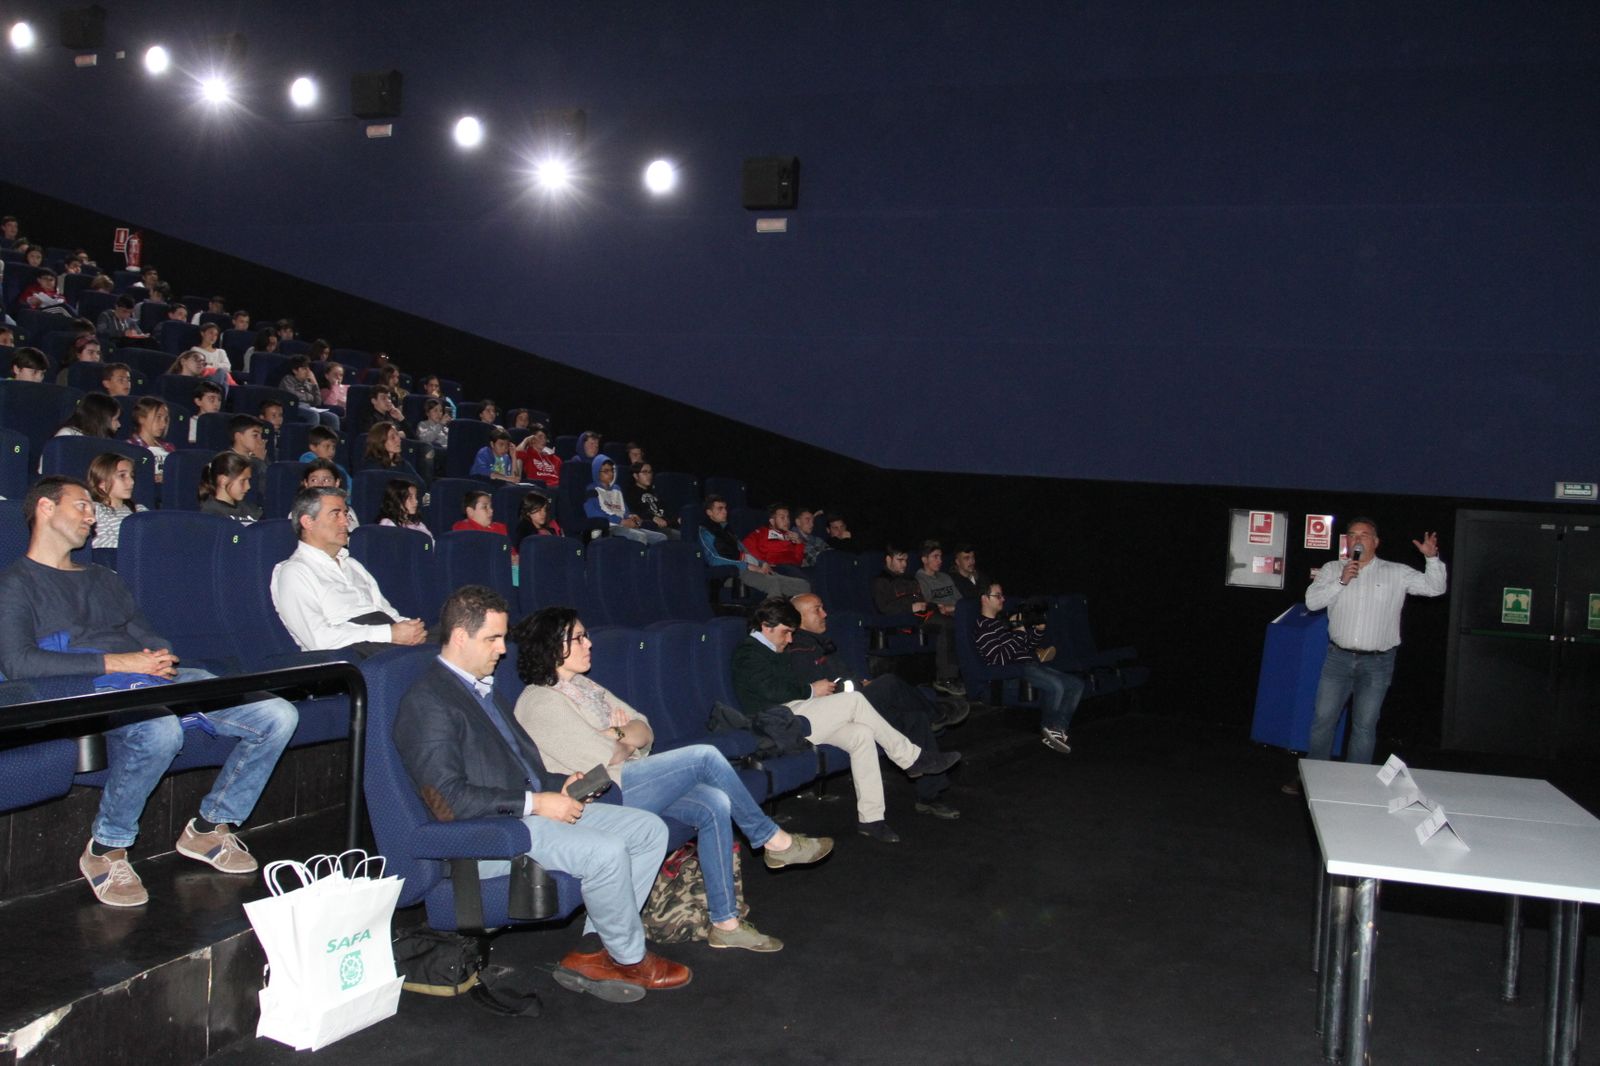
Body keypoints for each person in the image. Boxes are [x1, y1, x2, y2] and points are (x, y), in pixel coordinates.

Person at [0, 476, 297, 906]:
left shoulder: (104, 578)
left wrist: (159, 657)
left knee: (276, 715)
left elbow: (149, 635)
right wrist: (123, 664)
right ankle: (106, 850)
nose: (91, 516)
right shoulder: (15, 584)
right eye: (81, 506)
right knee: (160, 729)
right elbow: (19, 664)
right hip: (87, 687)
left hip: (145, 679)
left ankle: (210, 827)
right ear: (46, 508)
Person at [394, 586, 691, 1000]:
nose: (502, 649)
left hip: (526, 814)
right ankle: (628, 959)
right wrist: (536, 802)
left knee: (647, 830)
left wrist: (557, 784)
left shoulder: (484, 691)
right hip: (486, 836)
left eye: (503, 638)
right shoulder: (428, 701)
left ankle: (595, 948)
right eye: (492, 639)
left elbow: (523, 770)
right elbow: (446, 801)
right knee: (604, 852)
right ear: (460, 637)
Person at [512, 607, 833, 952]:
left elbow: (645, 727)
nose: (589, 643)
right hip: (601, 796)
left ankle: (726, 923)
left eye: (586, 634)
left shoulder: (583, 686)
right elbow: (601, 761)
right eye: (578, 637)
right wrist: (623, 741)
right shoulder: (540, 701)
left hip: (626, 779)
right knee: (705, 757)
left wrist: (618, 733)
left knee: (714, 802)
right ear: (551, 647)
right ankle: (773, 840)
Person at [731, 597, 959, 842]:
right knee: (855, 701)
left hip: (798, 713)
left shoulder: (775, 648)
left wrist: (811, 691)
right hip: (777, 721)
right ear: (767, 627)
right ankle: (911, 758)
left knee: (861, 733)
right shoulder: (748, 652)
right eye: (786, 633)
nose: (789, 640)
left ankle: (871, 819)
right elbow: (771, 690)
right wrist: (810, 690)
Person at [1285, 518, 1447, 791]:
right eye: (1352, 534)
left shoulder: (1396, 572)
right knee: (1323, 720)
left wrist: (1432, 559)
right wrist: (1341, 580)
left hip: (1378, 663)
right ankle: (1313, 779)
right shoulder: (1332, 569)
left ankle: (1356, 783)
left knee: (1364, 726)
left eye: (1365, 534)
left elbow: (1435, 588)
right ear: (1347, 541)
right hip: (1338, 658)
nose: (1358, 538)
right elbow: (1312, 602)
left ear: (1376, 541)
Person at [788, 593, 965, 819]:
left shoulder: (820, 642)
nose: (825, 614)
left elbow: (843, 675)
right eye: (817, 610)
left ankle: (930, 796)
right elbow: (827, 690)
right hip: (840, 713)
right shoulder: (799, 651)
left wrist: (861, 682)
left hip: (856, 700)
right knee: (889, 683)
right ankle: (938, 713)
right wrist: (859, 685)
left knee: (915, 719)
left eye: (823, 608)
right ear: (799, 618)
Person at [271, 486, 427, 654]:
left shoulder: (352, 564)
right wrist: (389, 633)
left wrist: (412, 629)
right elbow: (318, 638)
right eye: (335, 514)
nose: (346, 522)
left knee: (453, 633)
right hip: (350, 651)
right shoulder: (294, 572)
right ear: (308, 522)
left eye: (345, 514)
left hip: (383, 635)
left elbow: (385, 611)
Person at [975, 581, 1084, 756]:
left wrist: (1038, 631)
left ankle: (1058, 729)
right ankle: (1048, 728)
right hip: (1013, 672)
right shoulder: (983, 627)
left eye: (1002, 595)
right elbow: (1000, 659)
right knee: (1056, 686)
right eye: (998, 595)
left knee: (1076, 684)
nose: (1003, 599)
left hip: (1030, 664)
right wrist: (1018, 631)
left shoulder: (1002, 621)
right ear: (984, 599)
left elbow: (1025, 647)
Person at [872, 545, 964, 696]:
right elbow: (884, 608)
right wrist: (910, 607)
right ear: (888, 559)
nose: (904, 564)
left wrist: (932, 606)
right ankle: (946, 679)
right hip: (905, 620)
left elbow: (923, 600)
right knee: (947, 624)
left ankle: (958, 675)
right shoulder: (882, 581)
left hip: (923, 616)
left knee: (954, 621)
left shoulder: (909, 578)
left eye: (906, 560)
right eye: (900, 560)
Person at [699, 495, 809, 596]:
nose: (725, 511)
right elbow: (713, 559)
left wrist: (762, 563)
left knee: (802, 585)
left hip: (751, 568)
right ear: (709, 512)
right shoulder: (705, 531)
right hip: (732, 572)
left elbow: (745, 551)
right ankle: (773, 617)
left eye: (725, 508)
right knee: (773, 583)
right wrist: (746, 566)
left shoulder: (728, 530)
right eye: (720, 508)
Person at [586, 456, 666, 545]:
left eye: (612, 470)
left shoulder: (617, 489)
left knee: (661, 538)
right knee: (639, 536)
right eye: (606, 471)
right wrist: (621, 521)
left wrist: (631, 516)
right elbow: (593, 513)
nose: (611, 474)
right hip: (609, 527)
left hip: (624, 525)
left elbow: (624, 511)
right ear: (597, 472)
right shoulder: (591, 490)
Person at [87, 452, 147, 549]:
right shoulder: (96, 510)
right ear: (102, 483)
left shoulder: (139, 510)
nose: (132, 482)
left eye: (131, 475)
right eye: (122, 476)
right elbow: (98, 542)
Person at [276, 354, 340, 429]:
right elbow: (294, 397)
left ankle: (333, 440)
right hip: (294, 407)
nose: (308, 371)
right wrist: (308, 396)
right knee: (313, 415)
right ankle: (312, 440)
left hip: (309, 407)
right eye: (304, 368)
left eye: (308, 368)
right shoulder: (288, 380)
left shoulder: (308, 383)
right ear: (295, 370)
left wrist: (315, 383)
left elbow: (317, 402)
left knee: (333, 417)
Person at [197, 451, 261, 524]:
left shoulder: (251, 509)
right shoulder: (210, 515)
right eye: (243, 481)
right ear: (223, 481)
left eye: (248, 480)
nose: (248, 487)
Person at [742, 503, 806, 572]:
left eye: (788, 517)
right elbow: (745, 547)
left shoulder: (791, 536)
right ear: (772, 521)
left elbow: (798, 561)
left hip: (794, 568)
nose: (787, 521)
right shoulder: (761, 533)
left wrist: (799, 543)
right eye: (782, 517)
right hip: (777, 568)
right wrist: (762, 563)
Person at [125, 396, 175, 482]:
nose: (163, 424)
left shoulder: (169, 447)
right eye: (158, 417)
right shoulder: (130, 447)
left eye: (165, 419)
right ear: (141, 418)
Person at [622, 462, 677, 539]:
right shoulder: (630, 493)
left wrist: (676, 519)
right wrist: (652, 517)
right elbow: (635, 511)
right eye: (644, 472)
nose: (649, 475)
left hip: (665, 525)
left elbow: (665, 510)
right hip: (650, 528)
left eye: (650, 472)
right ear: (635, 475)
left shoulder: (655, 492)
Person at [54, 393, 121, 439]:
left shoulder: (102, 439)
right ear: (100, 419)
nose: (119, 425)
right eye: (115, 419)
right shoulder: (68, 435)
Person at [515, 423, 561, 489]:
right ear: (532, 439)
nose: (543, 440)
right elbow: (516, 453)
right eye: (540, 437)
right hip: (537, 486)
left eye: (545, 438)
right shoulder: (528, 454)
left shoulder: (555, 459)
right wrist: (526, 440)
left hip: (556, 487)